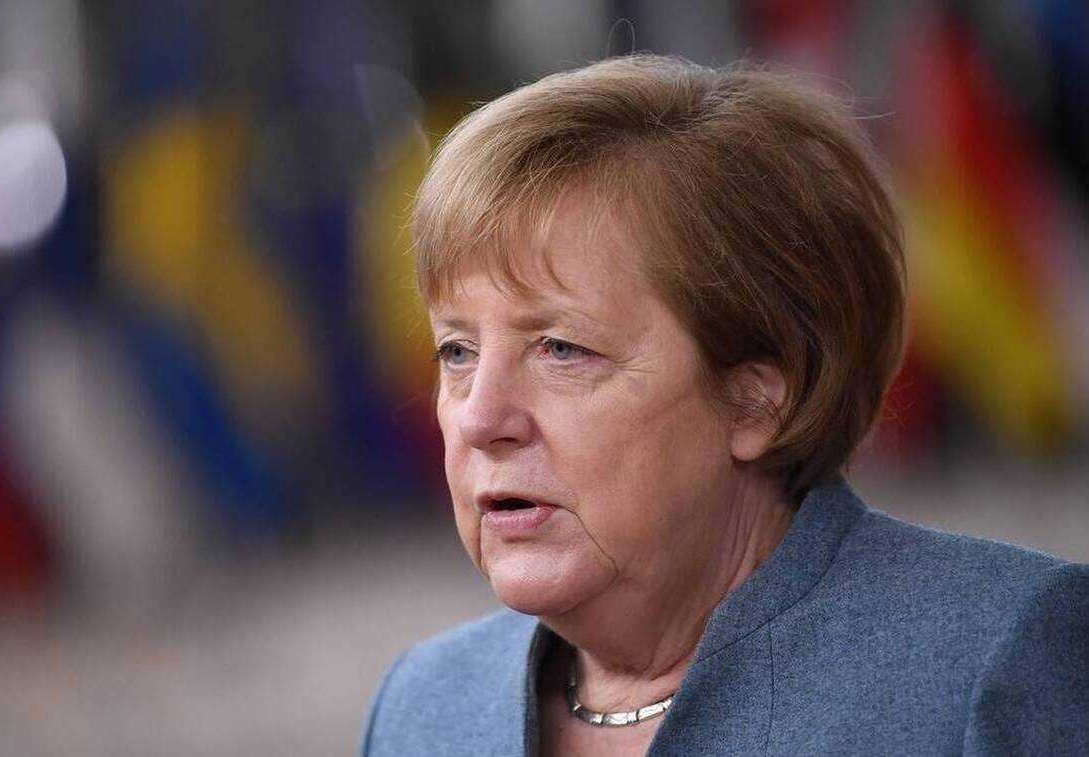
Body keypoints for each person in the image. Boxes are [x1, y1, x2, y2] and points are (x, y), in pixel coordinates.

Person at [361, 55, 1089, 756]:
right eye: (457, 351)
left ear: (755, 403)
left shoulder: (998, 657)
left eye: (560, 348)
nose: (480, 419)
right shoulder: (423, 705)